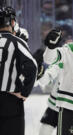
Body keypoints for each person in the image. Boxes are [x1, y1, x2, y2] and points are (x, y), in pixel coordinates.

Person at [0, 6, 37, 135]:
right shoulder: (17, 42)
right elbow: (32, 67)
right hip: (11, 100)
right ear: (13, 23)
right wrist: (25, 92)